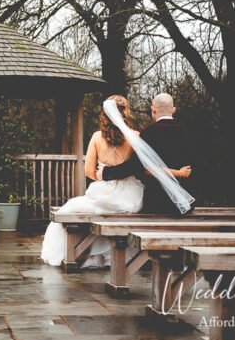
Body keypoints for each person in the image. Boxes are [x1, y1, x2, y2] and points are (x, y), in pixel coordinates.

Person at [40, 95, 191, 268]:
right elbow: (139, 167)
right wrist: (177, 173)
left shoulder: (97, 137)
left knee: (77, 209)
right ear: (126, 112)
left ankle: (82, 252)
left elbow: (89, 171)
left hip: (104, 193)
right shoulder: (136, 136)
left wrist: (104, 176)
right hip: (130, 195)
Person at [100, 92, 195, 216]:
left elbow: (135, 165)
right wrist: (180, 174)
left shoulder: (148, 133)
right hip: (185, 203)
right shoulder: (188, 132)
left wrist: (106, 172)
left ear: (153, 110)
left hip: (156, 203)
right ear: (174, 110)